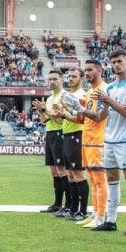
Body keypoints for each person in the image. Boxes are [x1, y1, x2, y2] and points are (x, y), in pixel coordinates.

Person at [90, 50, 126, 233]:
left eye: (119, 61)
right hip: (110, 139)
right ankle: (111, 221)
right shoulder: (110, 87)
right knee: (112, 178)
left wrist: (108, 100)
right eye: (113, 62)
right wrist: (81, 111)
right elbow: (102, 116)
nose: (116, 65)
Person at [77, 59, 110, 230]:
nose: (87, 73)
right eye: (86, 70)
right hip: (87, 139)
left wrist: (81, 109)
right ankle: (95, 214)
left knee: (99, 179)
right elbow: (86, 117)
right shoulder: (90, 92)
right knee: (92, 179)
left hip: (98, 140)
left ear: (99, 70)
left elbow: (99, 117)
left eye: (90, 69)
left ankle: (101, 215)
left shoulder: (104, 90)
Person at [32, 69, 68, 213]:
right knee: (54, 172)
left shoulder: (64, 96)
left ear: (61, 80)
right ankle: (57, 204)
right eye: (50, 79)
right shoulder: (50, 98)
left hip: (60, 133)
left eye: (55, 79)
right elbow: (45, 120)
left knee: (62, 171)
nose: (52, 81)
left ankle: (68, 205)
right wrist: (41, 111)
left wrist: (45, 110)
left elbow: (60, 120)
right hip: (50, 134)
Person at [55, 68, 88, 222]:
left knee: (78, 174)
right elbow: (64, 119)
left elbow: (79, 119)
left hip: (77, 134)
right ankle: (73, 209)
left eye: (74, 76)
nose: (70, 79)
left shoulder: (81, 96)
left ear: (81, 79)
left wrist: (64, 114)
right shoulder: (69, 95)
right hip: (67, 134)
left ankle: (82, 211)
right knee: (70, 174)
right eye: (69, 76)